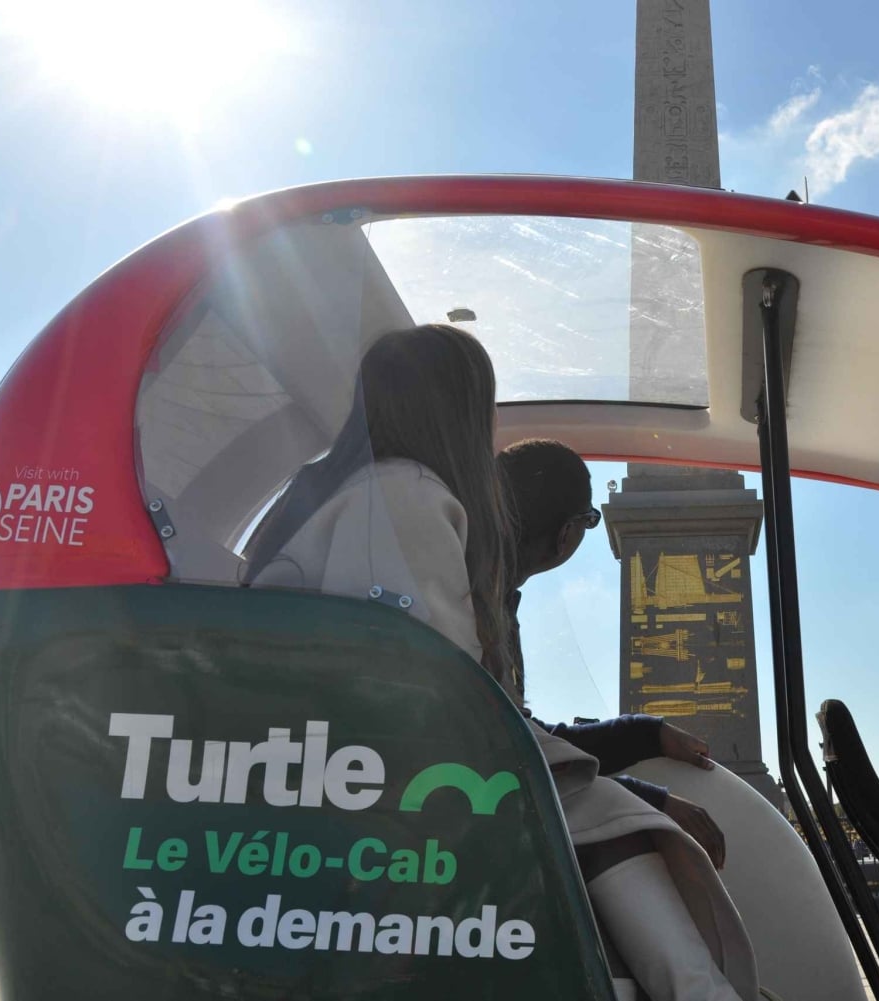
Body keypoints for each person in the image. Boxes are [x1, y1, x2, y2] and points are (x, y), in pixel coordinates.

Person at [244, 326, 756, 1001]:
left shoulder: (337, 494)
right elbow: (442, 689)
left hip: (327, 773)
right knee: (607, 816)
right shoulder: (404, 494)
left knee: (599, 806)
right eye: (485, 412)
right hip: (369, 788)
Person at [498, 437, 727, 867]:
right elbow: (518, 754)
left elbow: (526, 740)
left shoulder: (478, 594)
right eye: (589, 520)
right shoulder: (483, 610)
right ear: (566, 533)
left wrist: (645, 733)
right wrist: (649, 801)